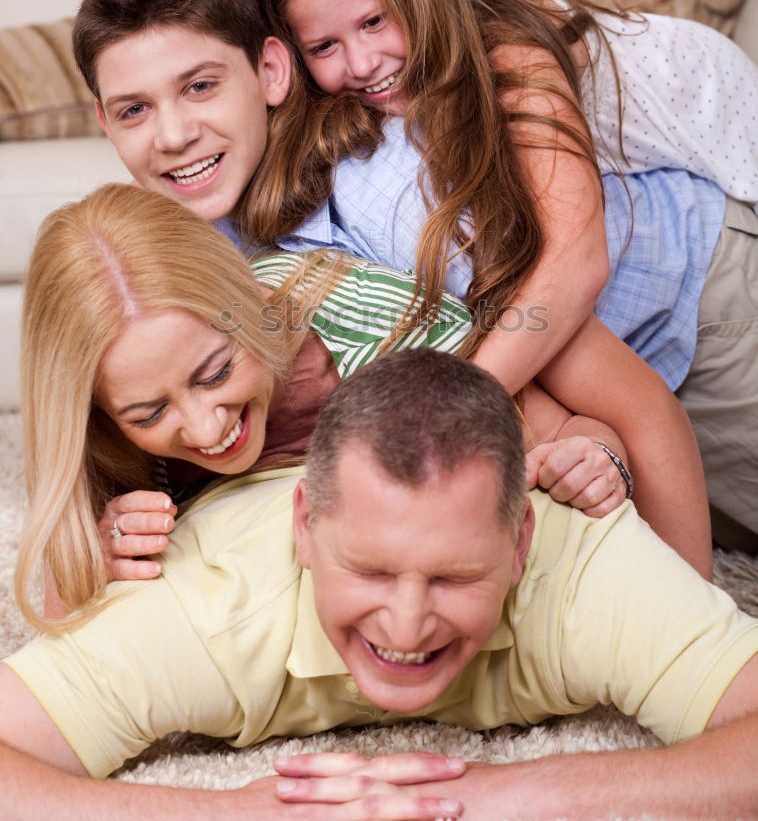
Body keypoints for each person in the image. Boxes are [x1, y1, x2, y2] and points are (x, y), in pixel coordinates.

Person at [73, 0, 722, 572]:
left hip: (708, 302)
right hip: (611, 376)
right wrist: (108, 527)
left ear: (271, 70)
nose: (175, 135)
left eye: (199, 87)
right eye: (135, 109)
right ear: (105, 122)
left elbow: (638, 407)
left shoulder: (386, 200)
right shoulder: (173, 251)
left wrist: (700, 655)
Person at [2, 348, 757, 820]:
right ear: (304, 527)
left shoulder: (584, 565)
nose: (405, 624)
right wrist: (232, 813)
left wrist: (529, 793)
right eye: (369, 570)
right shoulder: (206, 605)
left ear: (521, 539)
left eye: (455, 576)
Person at [19, 183, 632, 631]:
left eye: (217, 373)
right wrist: (92, 557)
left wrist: (596, 460)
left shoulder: (372, 327)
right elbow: (59, 644)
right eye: (148, 415)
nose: (208, 427)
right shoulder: (104, 434)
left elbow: (576, 427)